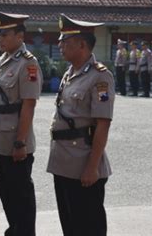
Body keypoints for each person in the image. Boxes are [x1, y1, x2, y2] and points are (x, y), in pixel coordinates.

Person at [48, 14, 114, 236]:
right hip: (64, 162)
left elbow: (102, 124)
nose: (60, 45)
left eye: (65, 42)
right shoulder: (70, 72)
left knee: (89, 226)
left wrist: (92, 167)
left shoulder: (100, 77)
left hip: (84, 164)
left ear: (82, 45)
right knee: (71, 225)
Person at [0, 11, 42, 236]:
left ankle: (25, 232)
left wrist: (20, 142)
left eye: (5, 34)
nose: (0, 38)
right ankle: (15, 230)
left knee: (21, 194)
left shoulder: (28, 64)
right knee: (6, 192)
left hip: (15, 139)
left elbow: (29, 105)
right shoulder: (1, 60)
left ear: (20, 36)